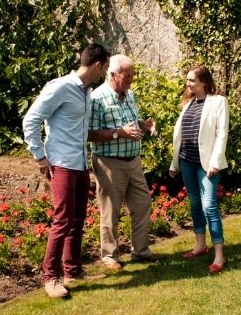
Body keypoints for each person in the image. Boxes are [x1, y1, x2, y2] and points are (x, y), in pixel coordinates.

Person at [23, 43, 110, 299]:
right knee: (62, 221)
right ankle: (51, 278)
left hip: (79, 163)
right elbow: (31, 119)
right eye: (105, 67)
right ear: (97, 65)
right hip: (61, 163)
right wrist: (40, 157)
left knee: (77, 219)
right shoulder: (60, 87)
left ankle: (73, 270)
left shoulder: (86, 91)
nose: (104, 72)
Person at [88, 54, 157, 270]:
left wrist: (142, 124)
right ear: (111, 74)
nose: (130, 80)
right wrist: (120, 133)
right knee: (111, 210)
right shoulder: (97, 98)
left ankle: (140, 251)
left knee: (142, 205)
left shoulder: (130, 95)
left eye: (132, 75)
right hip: (109, 163)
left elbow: (128, 122)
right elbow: (89, 133)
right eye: (126, 76)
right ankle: (109, 255)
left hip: (133, 161)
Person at [169, 65, 229, 273]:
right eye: (187, 80)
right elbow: (180, 136)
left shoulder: (218, 102)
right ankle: (201, 245)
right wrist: (175, 163)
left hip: (207, 165)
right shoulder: (188, 103)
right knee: (195, 202)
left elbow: (222, 134)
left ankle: (219, 256)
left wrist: (215, 162)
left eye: (192, 80)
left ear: (203, 81)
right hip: (187, 161)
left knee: (209, 206)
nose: (188, 84)